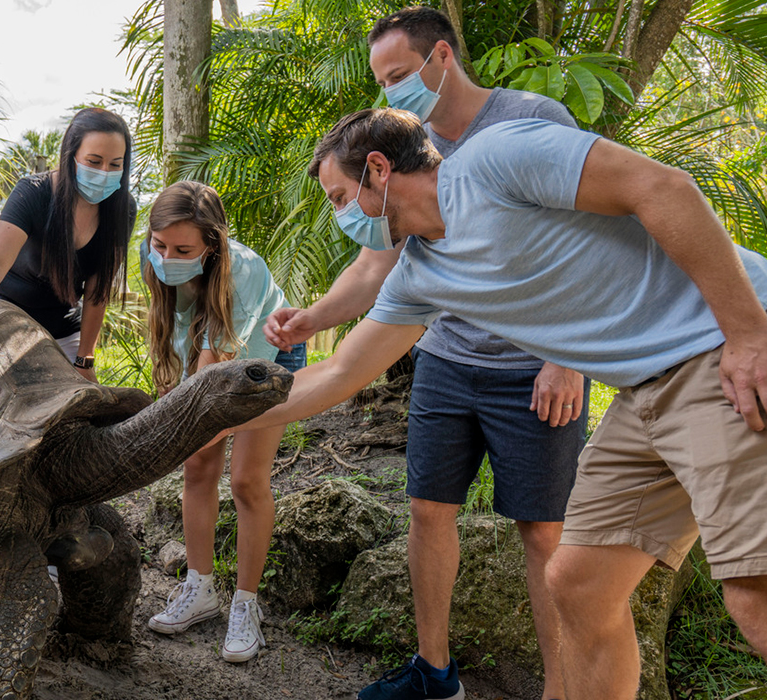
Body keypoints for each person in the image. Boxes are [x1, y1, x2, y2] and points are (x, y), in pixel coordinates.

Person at [234, 108, 767, 700]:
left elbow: (663, 189)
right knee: (579, 582)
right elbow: (342, 372)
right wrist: (211, 420)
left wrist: (748, 332)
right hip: (647, 388)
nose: (344, 217)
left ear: (378, 169)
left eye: (343, 199)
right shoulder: (421, 272)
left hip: (736, 346)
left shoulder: (494, 159)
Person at [264, 8, 586, 699]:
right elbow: (378, 265)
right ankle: (435, 674)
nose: (390, 94)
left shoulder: (528, 122)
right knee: (427, 511)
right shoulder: (406, 151)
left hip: (535, 363)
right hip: (446, 354)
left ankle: (563, 686)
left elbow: (584, 239)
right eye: (381, 81)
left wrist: (568, 356)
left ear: (442, 55)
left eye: (399, 76)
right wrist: (309, 319)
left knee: (543, 532)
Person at [137, 181, 304, 664]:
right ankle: (200, 588)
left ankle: (246, 606)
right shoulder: (151, 255)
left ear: (212, 244)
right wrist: (172, 391)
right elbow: (167, 323)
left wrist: (184, 419)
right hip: (201, 351)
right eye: (160, 245)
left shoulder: (243, 270)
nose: (167, 257)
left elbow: (222, 361)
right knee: (197, 468)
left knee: (248, 481)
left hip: (266, 358)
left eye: (183, 249)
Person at [0, 108, 136, 380]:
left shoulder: (122, 209)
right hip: (1, 321)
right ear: (71, 157)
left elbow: (97, 291)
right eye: (94, 162)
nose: (104, 172)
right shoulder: (33, 192)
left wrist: (84, 361)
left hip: (62, 333)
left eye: (115, 164)